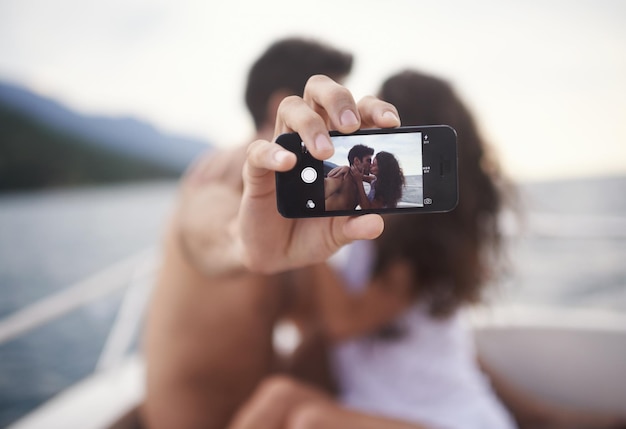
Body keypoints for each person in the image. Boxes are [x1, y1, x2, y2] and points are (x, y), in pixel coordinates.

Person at [221, 70, 626, 429]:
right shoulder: (372, 219)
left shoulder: (418, 248)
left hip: (442, 418)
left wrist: (303, 219)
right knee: (282, 400)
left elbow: (343, 320)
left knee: (298, 412)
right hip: (383, 410)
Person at [139, 37, 398, 429]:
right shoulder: (221, 176)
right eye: (329, 107)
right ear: (283, 104)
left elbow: (329, 320)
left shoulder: (304, 194)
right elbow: (206, 229)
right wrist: (241, 241)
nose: (337, 124)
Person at [324, 144, 374, 211]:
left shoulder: (358, 180)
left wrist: (360, 178)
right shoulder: (342, 176)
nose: (371, 165)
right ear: (357, 161)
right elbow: (324, 187)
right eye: (368, 160)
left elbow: (376, 179)